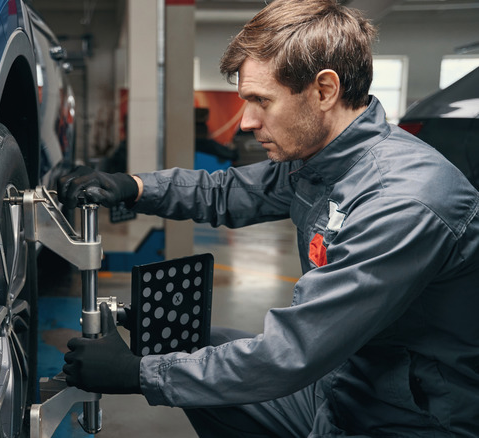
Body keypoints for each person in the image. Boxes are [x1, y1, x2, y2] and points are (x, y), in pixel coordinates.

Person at [57, 0, 479, 436]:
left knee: (186, 368)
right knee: (193, 348)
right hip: (347, 385)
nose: (245, 122)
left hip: (412, 420)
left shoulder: (402, 201)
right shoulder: (322, 162)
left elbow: (292, 353)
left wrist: (138, 374)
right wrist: (134, 186)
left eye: (261, 100)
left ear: (324, 91)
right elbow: (232, 191)